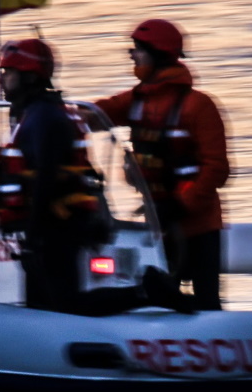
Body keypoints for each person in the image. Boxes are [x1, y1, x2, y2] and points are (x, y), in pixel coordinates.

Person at [93, 18, 231, 311]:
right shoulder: (136, 101)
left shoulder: (199, 106)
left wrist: (182, 205)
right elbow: (97, 114)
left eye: (138, 50)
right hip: (157, 225)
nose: (132, 55)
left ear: (157, 55)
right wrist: (54, 111)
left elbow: (217, 168)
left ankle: (216, 344)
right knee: (160, 297)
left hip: (198, 224)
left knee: (207, 301)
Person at [0, 38, 104, 314]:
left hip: (56, 227)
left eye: (8, 73)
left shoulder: (44, 117)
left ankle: (144, 293)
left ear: (29, 77)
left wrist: (33, 230)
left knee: (65, 303)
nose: (2, 80)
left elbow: (46, 178)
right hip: (47, 226)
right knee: (43, 303)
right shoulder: (34, 114)